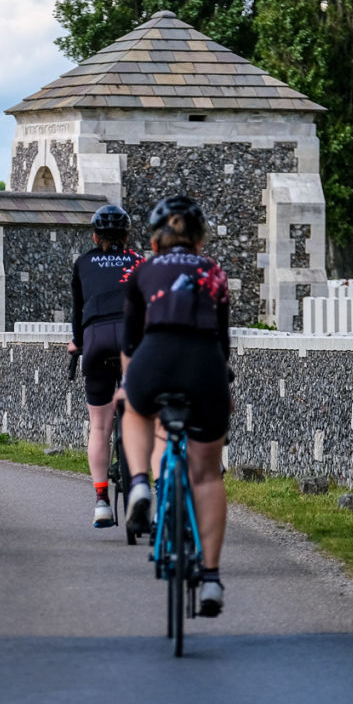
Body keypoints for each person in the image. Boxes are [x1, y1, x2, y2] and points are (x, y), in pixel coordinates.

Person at [119, 195, 232, 616]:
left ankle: (140, 483)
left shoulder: (143, 271)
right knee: (206, 476)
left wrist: (131, 386)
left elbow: (129, 342)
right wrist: (223, 388)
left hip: (155, 357)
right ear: (200, 242)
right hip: (204, 365)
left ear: (153, 242)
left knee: (135, 409)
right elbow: (222, 343)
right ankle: (211, 579)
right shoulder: (213, 272)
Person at [67, 204, 144, 527]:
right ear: (126, 236)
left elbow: (78, 311)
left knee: (99, 426)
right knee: (142, 416)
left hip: (96, 339)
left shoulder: (84, 262)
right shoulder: (139, 262)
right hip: (133, 341)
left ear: (95, 235)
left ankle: (101, 502)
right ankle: (142, 484)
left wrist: (77, 343)